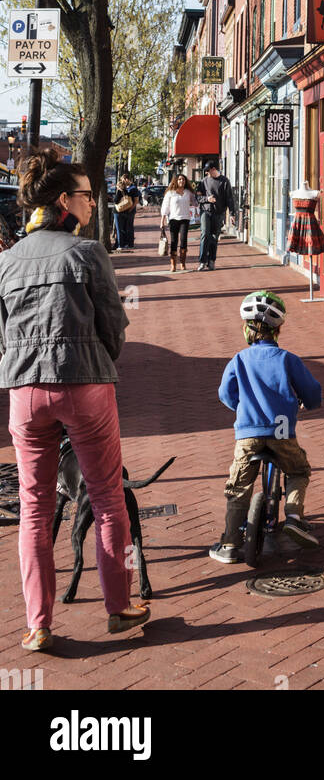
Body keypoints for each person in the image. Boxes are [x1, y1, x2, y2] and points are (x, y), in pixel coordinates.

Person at [0, 146, 150, 651]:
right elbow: (115, 326)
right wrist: (97, 360)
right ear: (65, 199)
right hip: (85, 384)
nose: (93, 203)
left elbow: (3, 335)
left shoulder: (7, 261)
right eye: (87, 195)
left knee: (35, 508)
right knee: (109, 500)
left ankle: (38, 623)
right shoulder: (87, 253)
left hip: (25, 390)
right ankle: (120, 607)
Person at [210, 290, 322, 563]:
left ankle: (230, 545)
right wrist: (305, 402)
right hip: (282, 430)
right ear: (278, 330)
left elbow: (225, 394)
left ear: (247, 331)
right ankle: (294, 517)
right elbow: (313, 394)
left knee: (238, 486)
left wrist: (242, 406)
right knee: (298, 470)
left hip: (249, 431)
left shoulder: (239, 359)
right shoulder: (288, 359)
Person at [197, 159, 236, 271]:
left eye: (208, 171)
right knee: (205, 234)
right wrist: (207, 199)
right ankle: (202, 261)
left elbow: (229, 198)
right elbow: (198, 198)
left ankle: (211, 260)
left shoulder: (224, 181)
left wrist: (232, 214)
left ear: (214, 169)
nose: (207, 174)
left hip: (219, 213)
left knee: (214, 237)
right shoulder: (203, 181)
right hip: (206, 212)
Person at [160, 173, 195, 272]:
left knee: (183, 240)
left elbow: (195, 202)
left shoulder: (188, 192)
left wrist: (199, 198)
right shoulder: (170, 193)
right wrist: (162, 221)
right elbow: (165, 207)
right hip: (173, 219)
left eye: (183, 180)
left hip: (185, 218)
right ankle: (173, 264)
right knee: (174, 241)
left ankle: (183, 263)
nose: (181, 181)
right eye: (179, 179)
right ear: (176, 181)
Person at [113, 174, 140, 252]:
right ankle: (127, 243)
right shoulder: (127, 190)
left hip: (124, 211)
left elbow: (136, 201)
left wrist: (130, 209)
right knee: (126, 228)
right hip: (126, 210)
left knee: (124, 228)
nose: (123, 181)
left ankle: (122, 244)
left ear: (126, 179)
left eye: (123, 179)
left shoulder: (132, 189)